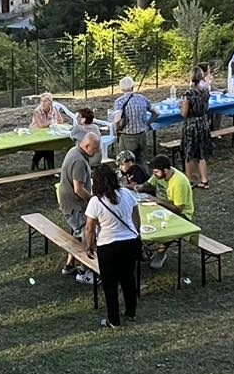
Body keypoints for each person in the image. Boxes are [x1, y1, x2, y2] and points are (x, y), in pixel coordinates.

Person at [85, 163, 141, 329]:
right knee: (128, 279)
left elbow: (89, 228)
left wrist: (89, 245)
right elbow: (136, 214)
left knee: (110, 285)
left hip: (108, 246)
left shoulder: (96, 201)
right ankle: (131, 312)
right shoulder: (127, 193)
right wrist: (137, 232)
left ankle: (114, 320)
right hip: (130, 242)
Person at [58, 132, 100, 283]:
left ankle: (69, 265)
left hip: (68, 204)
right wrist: (94, 200)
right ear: (87, 145)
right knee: (86, 235)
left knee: (77, 234)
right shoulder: (79, 161)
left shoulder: (74, 150)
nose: (97, 151)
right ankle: (84, 271)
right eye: (95, 149)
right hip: (75, 206)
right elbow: (78, 189)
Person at [146, 154, 195, 270]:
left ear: (165, 170)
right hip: (164, 209)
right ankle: (145, 246)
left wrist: (158, 201)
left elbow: (178, 209)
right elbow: (148, 185)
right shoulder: (159, 174)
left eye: (156, 172)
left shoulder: (179, 182)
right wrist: (137, 187)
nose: (154, 175)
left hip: (182, 215)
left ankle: (160, 254)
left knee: (166, 226)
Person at [113, 76, 158, 165]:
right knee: (141, 161)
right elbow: (156, 113)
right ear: (133, 86)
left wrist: (117, 129)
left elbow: (117, 119)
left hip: (127, 136)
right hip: (142, 135)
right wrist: (147, 123)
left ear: (121, 88)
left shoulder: (120, 101)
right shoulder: (142, 98)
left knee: (126, 163)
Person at [180, 66, 213, 189]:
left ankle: (188, 180)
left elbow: (184, 114)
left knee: (188, 153)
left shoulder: (188, 94)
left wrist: (181, 106)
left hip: (192, 126)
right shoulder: (205, 92)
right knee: (201, 153)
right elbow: (207, 108)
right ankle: (204, 179)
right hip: (203, 123)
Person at [30, 92, 61, 170]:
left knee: (49, 147)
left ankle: (49, 168)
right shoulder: (37, 111)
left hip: (48, 133)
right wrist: (51, 122)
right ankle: (48, 168)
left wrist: (56, 111)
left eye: (45, 101)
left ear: (50, 103)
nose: (43, 103)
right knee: (46, 148)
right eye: (41, 101)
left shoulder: (53, 109)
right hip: (36, 134)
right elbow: (41, 126)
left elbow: (60, 121)